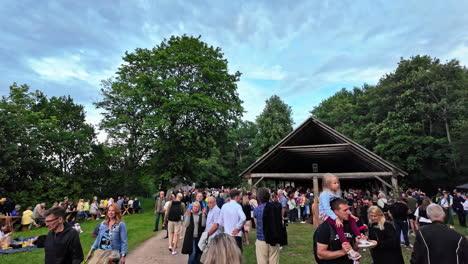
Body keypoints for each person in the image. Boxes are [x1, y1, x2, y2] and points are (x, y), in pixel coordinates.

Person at [318, 173, 362, 261]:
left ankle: (359, 237)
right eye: (334, 183)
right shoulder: (324, 194)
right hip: (326, 214)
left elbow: (342, 206)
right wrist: (336, 218)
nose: (337, 184)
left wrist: (351, 215)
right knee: (338, 225)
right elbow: (326, 208)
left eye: (337, 182)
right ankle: (347, 247)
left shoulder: (336, 194)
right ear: (327, 184)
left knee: (352, 219)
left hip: (335, 213)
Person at [313, 198, 367, 264]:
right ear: (335, 212)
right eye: (345, 210)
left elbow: (353, 248)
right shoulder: (325, 228)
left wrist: (358, 244)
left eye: (348, 209)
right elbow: (320, 254)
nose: (348, 212)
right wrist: (343, 252)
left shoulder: (349, 225)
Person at [254, 187, 283, 264]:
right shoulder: (276, 207)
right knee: (274, 260)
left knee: (262, 261)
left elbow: (256, 224)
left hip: (261, 239)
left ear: (259, 198)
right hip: (274, 237)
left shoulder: (257, 210)